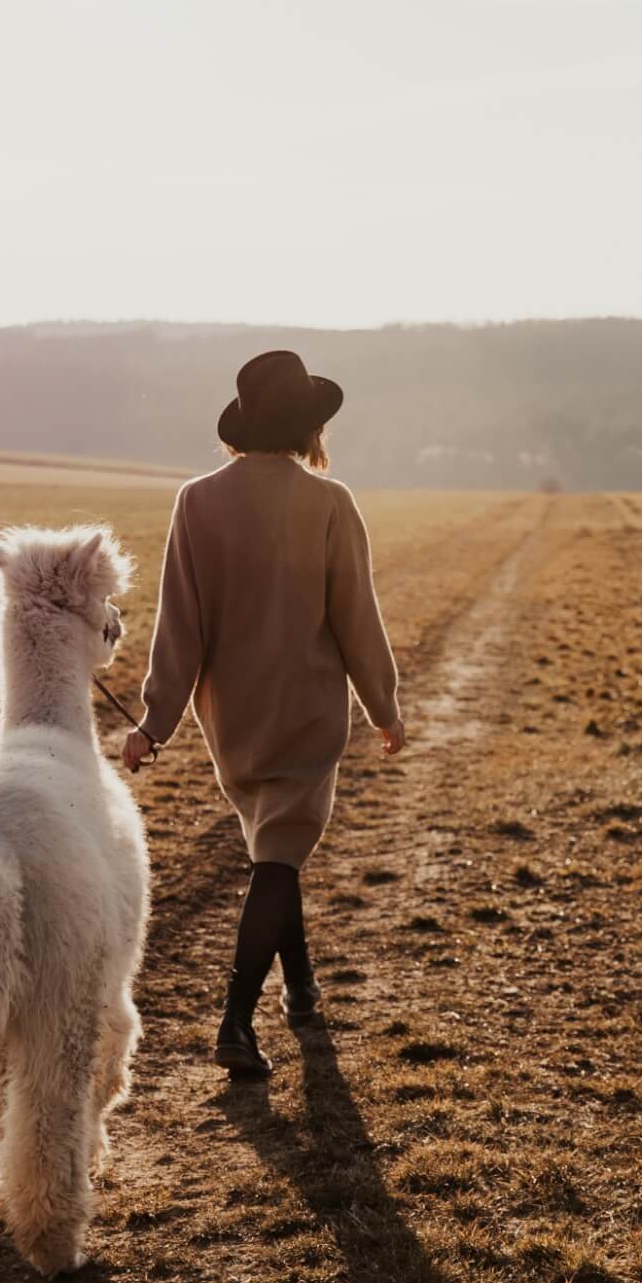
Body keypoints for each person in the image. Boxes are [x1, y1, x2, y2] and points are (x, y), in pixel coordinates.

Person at [122, 350, 405, 1077]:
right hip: (307, 709)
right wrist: (383, 706)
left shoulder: (195, 499)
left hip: (233, 715)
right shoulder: (330, 501)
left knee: (275, 847)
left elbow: (177, 625)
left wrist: (154, 723)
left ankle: (301, 990)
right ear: (309, 427)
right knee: (279, 854)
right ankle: (235, 1024)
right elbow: (356, 620)